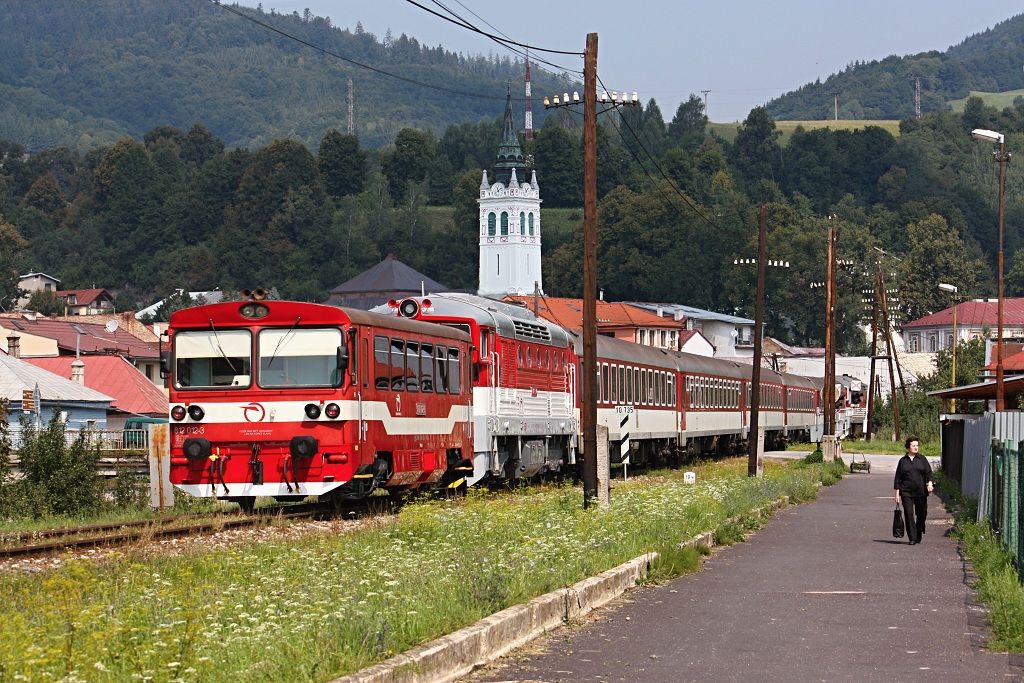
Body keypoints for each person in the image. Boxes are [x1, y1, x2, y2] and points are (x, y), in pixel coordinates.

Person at [893, 436, 934, 545]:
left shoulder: (922, 459)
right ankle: (912, 538)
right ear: (908, 447)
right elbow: (898, 478)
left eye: (917, 445)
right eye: (913, 446)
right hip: (906, 492)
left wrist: (929, 483)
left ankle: (918, 532)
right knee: (909, 513)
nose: (916, 447)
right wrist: (897, 494)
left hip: (921, 492)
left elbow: (929, 473)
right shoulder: (903, 461)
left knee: (922, 514)